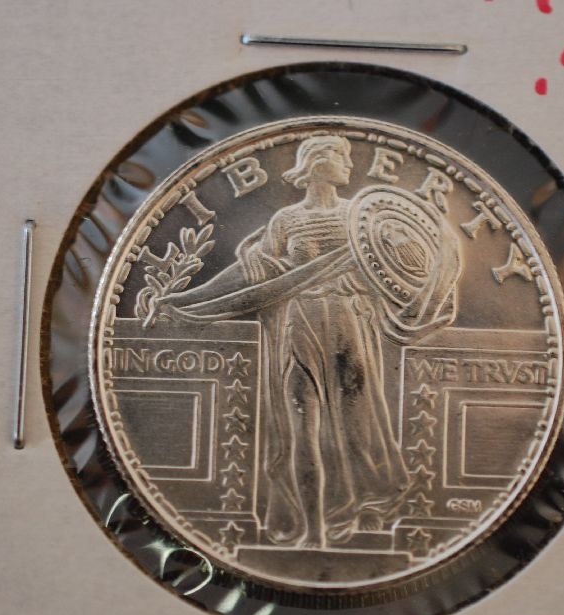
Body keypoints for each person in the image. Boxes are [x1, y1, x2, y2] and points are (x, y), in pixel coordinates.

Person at [159, 135, 460, 548]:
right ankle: (312, 530)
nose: (349, 166)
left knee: (357, 432)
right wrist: (186, 301)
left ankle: (354, 512)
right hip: (297, 326)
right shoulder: (286, 220)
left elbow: (412, 265)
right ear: (317, 163)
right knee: (302, 428)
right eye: (341, 157)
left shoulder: (362, 216)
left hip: (350, 329)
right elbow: (252, 276)